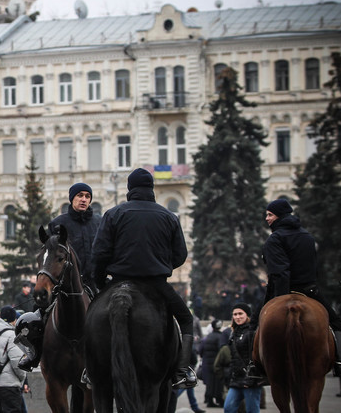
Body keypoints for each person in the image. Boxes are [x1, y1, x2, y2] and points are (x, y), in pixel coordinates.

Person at [90, 168, 196, 388]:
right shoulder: (168, 216)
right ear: (151, 188)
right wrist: (162, 266)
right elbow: (180, 255)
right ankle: (182, 371)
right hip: (156, 283)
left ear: (130, 188)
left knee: (90, 316)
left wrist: (102, 284)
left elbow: (99, 254)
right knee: (186, 318)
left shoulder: (113, 214)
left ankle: (89, 369)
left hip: (119, 281)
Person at [249, 198, 341, 378]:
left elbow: (280, 274)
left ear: (279, 216)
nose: (267, 218)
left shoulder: (275, 239)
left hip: (282, 290)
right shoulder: (307, 236)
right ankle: (340, 362)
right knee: (337, 323)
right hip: (310, 290)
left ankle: (254, 366)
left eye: (270, 214)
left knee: (254, 324)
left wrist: (279, 300)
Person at [48, 182, 101, 293]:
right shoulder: (58, 224)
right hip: (67, 286)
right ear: (72, 198)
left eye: (87, 196)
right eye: (80, 195)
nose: (84, 199)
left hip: (96, 283)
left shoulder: (100, 222)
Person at [215, 303, 262, 413]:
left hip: (251, 380)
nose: (237, 317)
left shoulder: (252, 332)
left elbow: (255, 357)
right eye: (235, 314)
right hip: (236, 379)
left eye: (240, 313)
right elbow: (233, 358)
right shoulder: (233, 333)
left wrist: (252, 378)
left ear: (247, 315)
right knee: (228, 408)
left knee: (252, 410)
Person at [0, 307, 26, 413]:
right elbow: (18, 362)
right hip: (9, 384)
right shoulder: (11, 335)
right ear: (13, 320)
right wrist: (22, 378)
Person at [198, 319, 226, 408]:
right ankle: (220, 400)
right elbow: (221, 351)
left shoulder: (207, 337)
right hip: (216, 364)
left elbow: (200, 350)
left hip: (206, 364)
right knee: (218, 384)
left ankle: (209, 401)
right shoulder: (221, 337)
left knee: (209, 384)